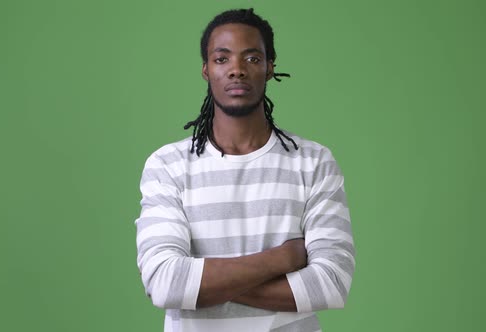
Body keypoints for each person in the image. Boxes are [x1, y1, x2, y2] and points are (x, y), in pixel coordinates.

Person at [135, 8, 355, 332]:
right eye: (222, 59)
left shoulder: (314, 162)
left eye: (252, 58)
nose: (236, 70)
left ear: (269, 68)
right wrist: (279, 260)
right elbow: (165, 283)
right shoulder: (167, 165)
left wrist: (204, 285)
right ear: (206, 70)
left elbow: (332, 283)